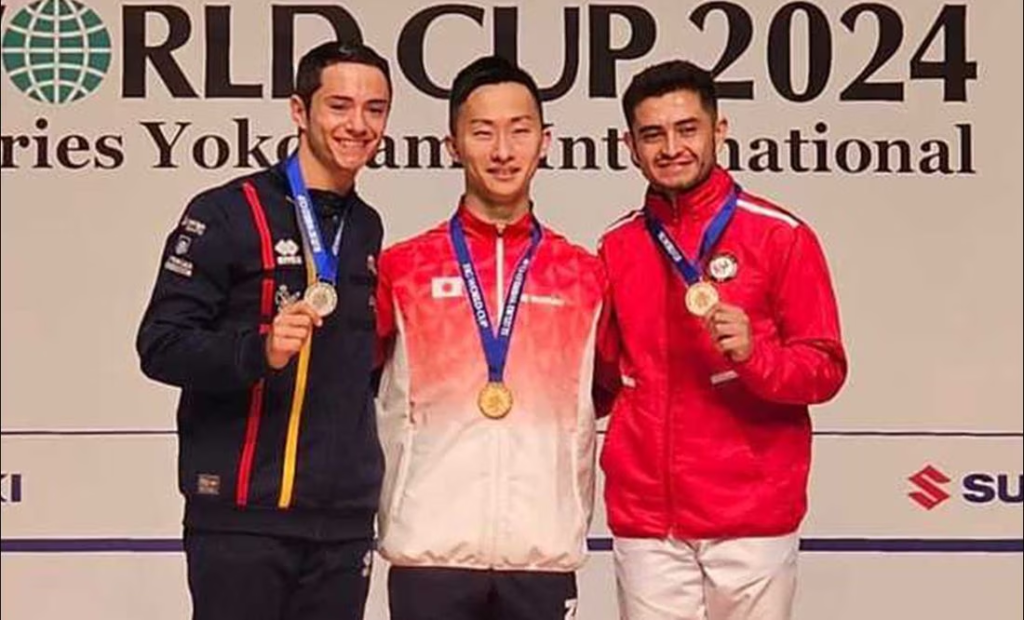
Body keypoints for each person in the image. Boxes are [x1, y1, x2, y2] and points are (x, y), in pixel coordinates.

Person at [136, 40, 392, 620]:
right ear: (299, 111)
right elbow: (160, 344)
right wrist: (257, 351)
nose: (358, 124)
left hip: (343, 523)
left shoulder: (367, 226)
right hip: (241, 518)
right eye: (340, 106)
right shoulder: (227, 211)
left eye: (374, 109)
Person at [596, 60, 848, 620]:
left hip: (751, 515)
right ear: (630, 146)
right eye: (652, 134)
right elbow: (604, 378)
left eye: (687, 129)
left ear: (719, 130)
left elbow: (826, 367)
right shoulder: (617, 246)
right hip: (648, 522)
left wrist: (757, 355)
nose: (671, 147)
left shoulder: (780, 235)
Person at [374, 55, 605, 620]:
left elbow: (607, 391)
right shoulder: (403, 269)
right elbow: (360, 385)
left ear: (545, 141)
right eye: (482, 132)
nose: (503, 150)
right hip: (429, 550)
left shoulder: (586, 276)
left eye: (519, 130)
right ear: (453, 145)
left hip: (541, 553)